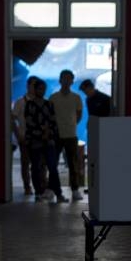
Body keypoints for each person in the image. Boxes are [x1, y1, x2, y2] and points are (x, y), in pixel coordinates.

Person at [25, 77, 65, 203]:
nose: (42, 91)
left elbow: (53, 122)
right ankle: (38, 193)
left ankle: (58, 194)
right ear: (35, 89)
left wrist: (49, 134)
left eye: (43, 89)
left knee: (53, 167)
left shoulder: (49, 104)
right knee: (35, 167)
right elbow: (29, 123)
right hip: (35, 141)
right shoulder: (29, 105)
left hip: (49, 140)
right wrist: (42, 132)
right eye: (39, 89)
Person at [49, 69, 84, 201]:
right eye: (64, 78)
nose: (66, 81)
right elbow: (49, 116)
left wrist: (72, 124)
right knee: (53, 164)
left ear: (72, 81)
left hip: (71, 135)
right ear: (60, 80)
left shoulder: (76, 97)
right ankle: (52, 189)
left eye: (69, 78)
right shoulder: (53, 97)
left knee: (73, 164)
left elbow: (79, 115)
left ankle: (75, 190)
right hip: (56, 135)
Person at [12, 76, 37, 196]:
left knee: (39, 164)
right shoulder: (20, 102)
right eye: (33, 85)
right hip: (25, 137)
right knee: (25, 163)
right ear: (28, 86)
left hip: (38, 138)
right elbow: (12, 119)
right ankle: (27, 187)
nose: (34, 88)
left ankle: (40, 186)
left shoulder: (42, 101)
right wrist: (18, 135)